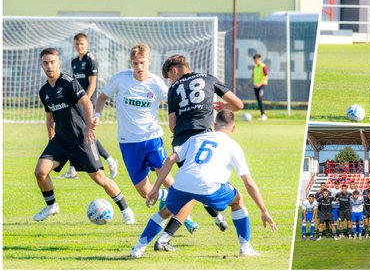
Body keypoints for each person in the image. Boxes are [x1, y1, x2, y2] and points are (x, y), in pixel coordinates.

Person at [131, 110, 277, 257]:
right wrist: (264, 211)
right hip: (208, 187)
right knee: (238, 200)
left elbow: (169, 160)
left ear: (214, 125)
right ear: (233, 128)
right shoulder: (233, 146)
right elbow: (249, 182)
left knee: (165, 211)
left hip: (182, 182)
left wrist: (155, 188)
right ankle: (245, 248)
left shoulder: (197, 138)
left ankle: (138, 249)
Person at [95, 44, 199, 233]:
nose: (139, 67)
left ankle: (186, 217)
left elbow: (174, 101)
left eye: (142, 63)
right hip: (128, 143)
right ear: (131, 63)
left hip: (152, 139)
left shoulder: (156, 83)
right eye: (135, 63)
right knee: (145, 193)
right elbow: (102, 98)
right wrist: (97, 115)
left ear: (149, 62)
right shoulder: (120, 80)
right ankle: (166, 199)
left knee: (168, 179)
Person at [34, 48, 134, 223]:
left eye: (52, 62)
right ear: (41, 65)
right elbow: (49, 118)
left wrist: (89, 127)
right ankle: (52, 206)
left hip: (81, 139)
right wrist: (51, 139)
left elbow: (87, 102)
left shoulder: (68, 83)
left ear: (58, 63)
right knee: (40, 172)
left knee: (99, 178)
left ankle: (126, 210)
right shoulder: (44, 91)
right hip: (60, 141)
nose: (49, 66)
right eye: (45, 63)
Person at [161, 54, 244, 239]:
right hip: (205, 138)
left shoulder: (174, 88)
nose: (170, 81)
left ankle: (166, 235)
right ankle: (167, 236)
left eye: (169, 77)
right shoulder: (208, 78)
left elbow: (172, 126)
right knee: (201, 185)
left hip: (181, 141)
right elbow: (239, 104)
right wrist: (225, 106)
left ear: (174, 71)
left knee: (190, 188)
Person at [59, 33, 118, 179]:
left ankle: (110, 161)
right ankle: (73, 169)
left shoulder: (91, 60)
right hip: (77, 103)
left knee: (87, 134)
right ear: (74, 44)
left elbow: (93, 83)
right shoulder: (74, 62)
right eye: (77, 44)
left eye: (82, 44)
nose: (80, 47)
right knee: (78, 133)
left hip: (86, 104)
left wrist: (85, 101)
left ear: (87, 44)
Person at [243, 54, 268, 120]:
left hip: (262, 86)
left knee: (260, 98)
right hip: (255, 86)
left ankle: (263, 115)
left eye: (255, 60)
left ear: (259, 59)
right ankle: (262, 115)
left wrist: (259, 84)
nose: (254, 61)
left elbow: (266, 77)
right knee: (258, 100)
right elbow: (252, 77)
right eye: (254, 60)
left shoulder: (263, 66)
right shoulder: (254, 67)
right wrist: (247, 85)